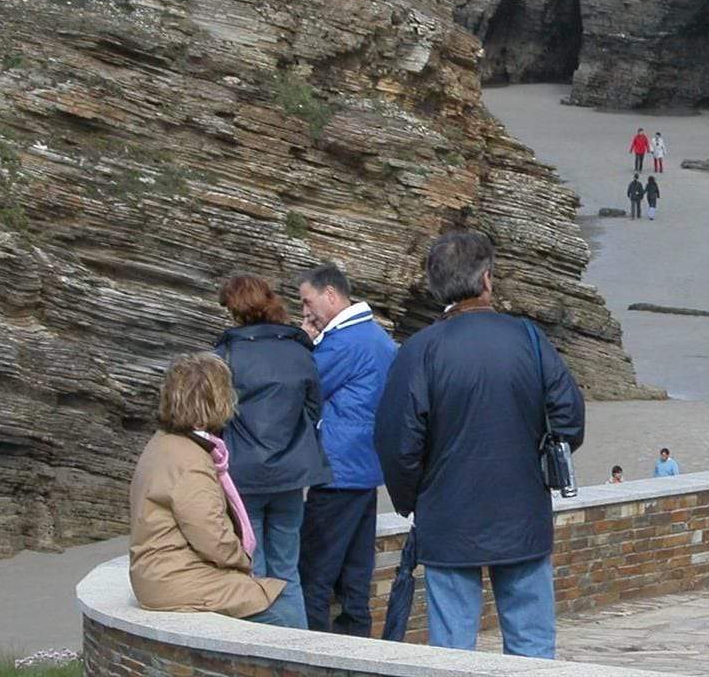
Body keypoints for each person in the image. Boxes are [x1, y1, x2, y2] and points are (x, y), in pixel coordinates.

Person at [375, 231, 585, 658]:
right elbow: (569, 420)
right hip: (522, 510)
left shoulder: (420, 350)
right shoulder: (528, 339)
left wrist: (414, 499)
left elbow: (398, 443)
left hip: (448, 513)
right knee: (532, 645)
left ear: (437, 288)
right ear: (487, 279)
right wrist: (537, 461)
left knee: (453, 651)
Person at [128, 352, 289, 623]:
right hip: (177, 579)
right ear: (215, 401)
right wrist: (242, 560)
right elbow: (210, 535)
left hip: (162, 574)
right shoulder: (190, 461)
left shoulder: (165, 443)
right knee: (283, 613)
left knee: (268, 597)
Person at [213, 276, 331, 629]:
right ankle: (297, 651)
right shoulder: (299, 350)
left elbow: (215, 418)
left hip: (244, 475)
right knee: (288, 570)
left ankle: (260, 653)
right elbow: (314, 409)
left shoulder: (225, 356)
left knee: (254, 570)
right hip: (291, 474)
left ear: (234, 309)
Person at [296, 264, 397, 637]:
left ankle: (315, 650)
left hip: (338, 470)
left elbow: (304, 385)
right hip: (366, 467)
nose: (306, 312)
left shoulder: (343, 343)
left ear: (331, 295)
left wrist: (304, 342)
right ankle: (357, 646)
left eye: (308, 301)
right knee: (355, 572)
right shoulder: (378, 338)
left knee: (315, 574)